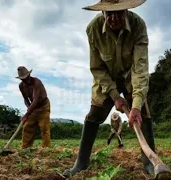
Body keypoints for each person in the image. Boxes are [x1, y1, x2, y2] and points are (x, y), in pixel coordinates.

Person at [62, 0, 156, 177]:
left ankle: (150, 162)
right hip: (106, 77)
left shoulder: (138, 26)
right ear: (103, 12)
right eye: (108, 13)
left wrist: (135, 106)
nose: (113, 18)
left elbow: (140, 69)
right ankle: (81, 163)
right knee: (94, 115)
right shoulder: (93, 29)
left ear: (127, 10)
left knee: (142, 113)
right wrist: (114, 96)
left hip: (130, 76)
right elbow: (97, 68)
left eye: (118, 12)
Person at [16, 66, 51, 149]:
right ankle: (25, 147)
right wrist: (29, 107)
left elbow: (35, 100)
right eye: (23, 79)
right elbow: (25, 99)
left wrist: (26, 115)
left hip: (43, 107)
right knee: (27, 126)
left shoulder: (36, 82)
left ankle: (46, 148)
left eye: (27, 77)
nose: (26, 80)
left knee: (44, 128)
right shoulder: (21, 86)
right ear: (21, 79)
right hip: (33, 108)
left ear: (29, 75)